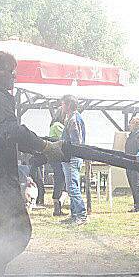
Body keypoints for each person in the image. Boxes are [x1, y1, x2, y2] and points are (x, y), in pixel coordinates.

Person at [0, 51, 65, 276]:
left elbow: (3, 135)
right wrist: (44, 147)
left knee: (0, 233)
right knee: (18, 232)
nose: (13, 76)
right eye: (9, 70)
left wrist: (41, 145)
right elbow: (10, 131)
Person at [60, 95, 87, 225]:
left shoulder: (73, 119)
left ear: (69, 104)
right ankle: (74, 214)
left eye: (63, 104)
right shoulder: (71, 118)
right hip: (70, 157)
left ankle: (81, 215)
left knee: (73, 187)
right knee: (71, 187)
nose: (62, 106)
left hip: (72, 157)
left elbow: (77, 142)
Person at [48, 115, 67, 216]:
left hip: (53, 156)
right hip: (58, 157)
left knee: (59, 179)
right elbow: (65, 138)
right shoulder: (58, 125)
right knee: (61, 179)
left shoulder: (53, 125)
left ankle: (57, 205)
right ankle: (57, 204)